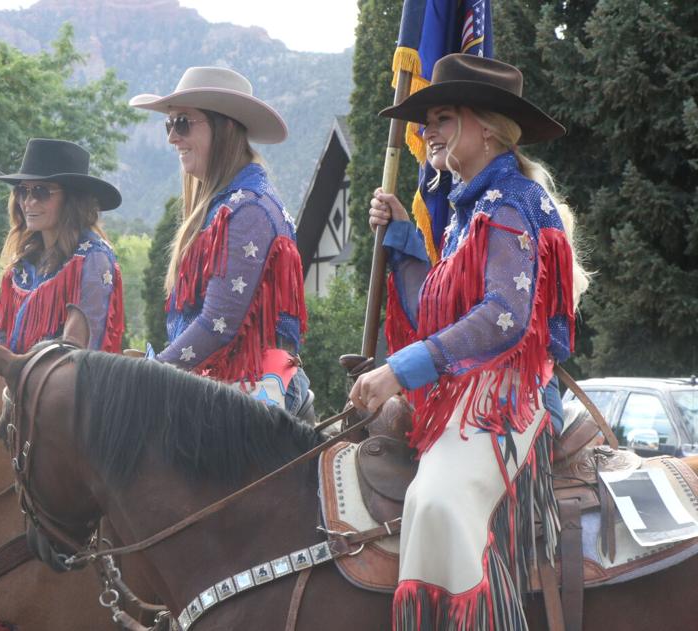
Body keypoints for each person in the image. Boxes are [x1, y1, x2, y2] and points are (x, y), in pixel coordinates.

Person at [349, 54, 587, 629]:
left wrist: (397, 371)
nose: (427, 130)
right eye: (427, 120)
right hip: (462, 396)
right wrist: (402, 238)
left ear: (487, 127)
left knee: (436, 499)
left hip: (509, 399)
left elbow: (503, 318)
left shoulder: (508, 204)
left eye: (443, 118)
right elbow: (437, 312)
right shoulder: (465, 211)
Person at [130, 66, 312, 417]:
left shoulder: (247, 210)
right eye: (169, 124)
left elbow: (219, 324)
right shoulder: (230, 205)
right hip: (222, 386)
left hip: (252, 395)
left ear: (225, 127)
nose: (172, 137)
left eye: (182, 123)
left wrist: (149, 374)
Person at [0, 138, 125, 352]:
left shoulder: (92, 259)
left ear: (71, 199)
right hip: (13, 382)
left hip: (62, 383)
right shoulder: (21, 264)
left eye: (41, 191)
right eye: (23, 191)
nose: (28, 202)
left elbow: (81, 351)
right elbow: (1, 338)